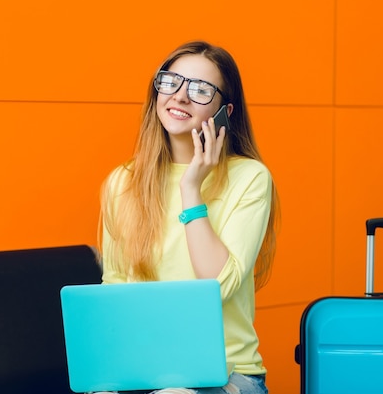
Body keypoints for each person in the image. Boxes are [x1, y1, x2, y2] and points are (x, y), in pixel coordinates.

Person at [97, 40, 280, 394]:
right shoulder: (122, 182)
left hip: (228, 375)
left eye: (199, 89)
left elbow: (218, 285)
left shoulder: (250, 178)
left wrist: (191, 188)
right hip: (144, 369)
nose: (180, 96)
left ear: (224, 111)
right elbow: (115, 288)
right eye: (171, 81)